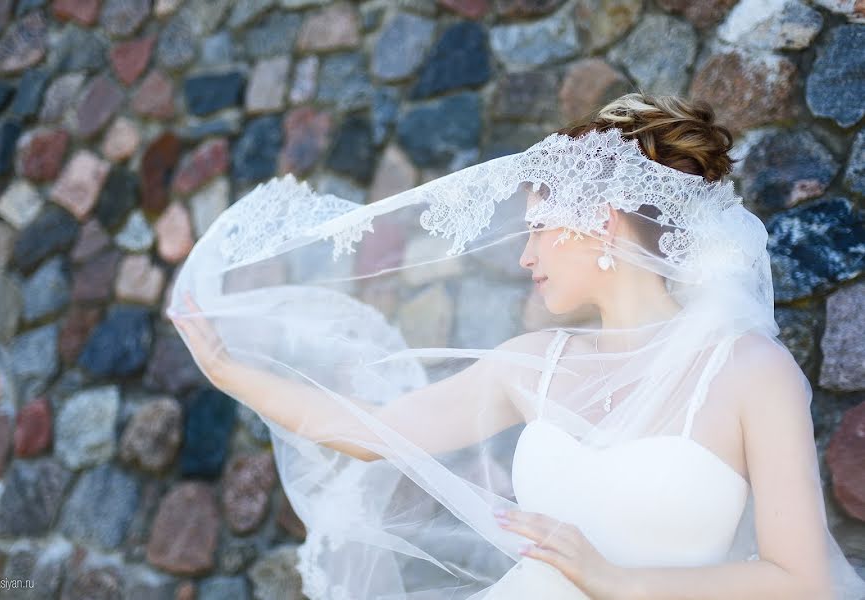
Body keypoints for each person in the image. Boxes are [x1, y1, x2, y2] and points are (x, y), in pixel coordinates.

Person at [167, 92, 865, 599]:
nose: (525, 254)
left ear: (601, 219)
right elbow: (368, 431)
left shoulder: (750, 373)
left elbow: (799, 580)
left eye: (537, 227)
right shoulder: (534, 360)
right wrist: (227, 371)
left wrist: (616, 582)